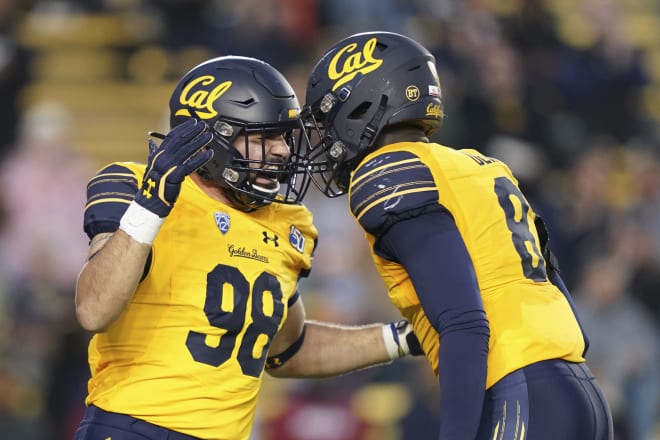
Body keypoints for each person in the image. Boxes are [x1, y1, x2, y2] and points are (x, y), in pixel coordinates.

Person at [72, 55, 421, 440]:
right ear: (211, 137)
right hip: (132, 427)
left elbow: (289, 349)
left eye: (284, 136)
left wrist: (402, 337)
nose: (283, 150)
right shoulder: (135, 186)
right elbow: (94, 310)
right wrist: (150, 206)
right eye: (265, 136)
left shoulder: (287, 221)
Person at [301, 31, 614, 440]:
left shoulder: (386, 171)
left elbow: (464, 323)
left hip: (516, 390)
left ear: (364, 103)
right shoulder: (482, 166)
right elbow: (573, 320)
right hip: (580, 393)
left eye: (327, 116)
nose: (325, 137)